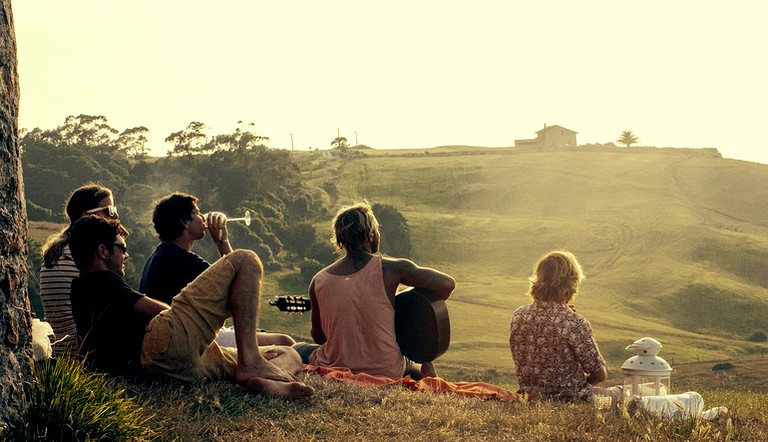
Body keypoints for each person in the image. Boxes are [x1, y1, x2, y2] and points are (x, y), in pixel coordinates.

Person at [68, 215, 314, 399]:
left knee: (288, 352)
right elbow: (160, 310)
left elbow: (84, 348)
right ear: (102, 251)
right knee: (245, 259)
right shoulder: (101, 280)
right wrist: (199, 324)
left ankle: (261, 381)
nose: (126, 255)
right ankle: (250, 364)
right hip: (163, 343)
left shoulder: (78, 291)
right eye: (122, 248)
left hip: (169, 369)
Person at [295, 202, 456, 380]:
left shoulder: (318, 280)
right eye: (377, 230)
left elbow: (318, 337)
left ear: (340, 240)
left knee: (294, 349)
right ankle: (428, 376)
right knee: (410, 363)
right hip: (386, 369)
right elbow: (446, 285)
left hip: (334, 364)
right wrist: (398, 304)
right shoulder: (392, 269)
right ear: (371, 235)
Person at [139, 192, 294, 346]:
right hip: (188, 341)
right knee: (284, 342)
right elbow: (239, 290)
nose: (203, 217)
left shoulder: (162, 254)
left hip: (174, 337)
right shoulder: (182, 259)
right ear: (185, 222)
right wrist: (222, 242)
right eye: (197, 213)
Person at [508, 250, 607, 401]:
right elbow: (599, 374)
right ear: (572, 282)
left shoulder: (519, 315)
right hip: (570, 399)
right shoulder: (574, 322)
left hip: (530, 397)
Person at [39, 183, 119, 357]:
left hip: (59, 351)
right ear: (86, 217)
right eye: (109, 210)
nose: (116, 216)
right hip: (82, 356)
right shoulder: (84, 254)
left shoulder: (59, 251)